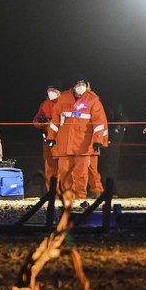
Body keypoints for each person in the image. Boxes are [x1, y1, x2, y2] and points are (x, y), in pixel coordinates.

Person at [46, 74, 108, 203]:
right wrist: (51, 137)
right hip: (65, 144)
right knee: (64, 172)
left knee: (81, 174)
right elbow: (55, 119)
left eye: (83, 84)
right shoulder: (63, 98)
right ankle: (68, 197)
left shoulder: (92, 100)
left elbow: (99, 122)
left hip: (83, 145)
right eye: (79, 84)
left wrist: (98, 140)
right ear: (73, 86)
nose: (81, 87)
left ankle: (80, 198)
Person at [32, 79, 62, 191]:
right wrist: (43, 122)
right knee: (50, 168)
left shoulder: (65, 103)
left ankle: (65, 192)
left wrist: (51, 122)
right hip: (47, 141)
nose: (51, 93)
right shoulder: (44, 104)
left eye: (53, 90)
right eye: (49, 90)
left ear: (59, 91)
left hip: (62, 141)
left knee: (64, 167)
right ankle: (52, 193)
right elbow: (35, 122)